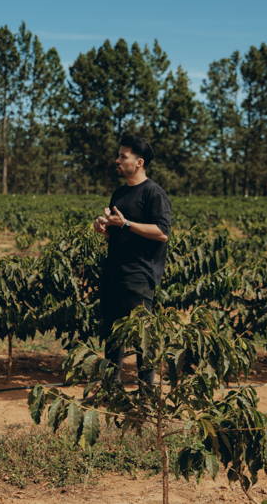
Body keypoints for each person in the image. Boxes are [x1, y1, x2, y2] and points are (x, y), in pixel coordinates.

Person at [93, 134, 172, 385]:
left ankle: (146, 394)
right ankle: (110, 391)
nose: (117, 160)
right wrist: (104, 226)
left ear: (139, 162)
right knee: (112, 337)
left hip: (140, 275)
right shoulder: (119, 193)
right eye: (118, 156)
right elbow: (118, 228)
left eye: (122, 156)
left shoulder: (153, 193)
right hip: (114, 272)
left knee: (142, 339)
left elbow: (162, 233)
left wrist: (126, 223)